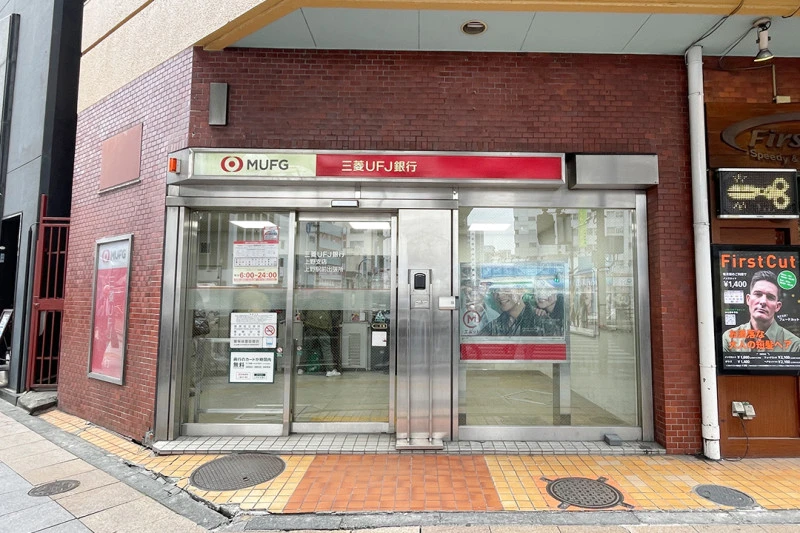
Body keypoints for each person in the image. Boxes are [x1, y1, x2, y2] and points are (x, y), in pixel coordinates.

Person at [722, 270, 800, 353]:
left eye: (770, 297)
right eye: (758, 294)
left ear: (777, 306)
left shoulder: (794, 344)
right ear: (748, 299)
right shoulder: (729, 338)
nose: (763, 301)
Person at [300, 309, 341, 376]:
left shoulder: (310, 302)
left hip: (310, 326)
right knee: (326, 348)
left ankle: (301, 369)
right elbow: (334, 316)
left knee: (306, 349)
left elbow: (303, 314)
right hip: (323, 326)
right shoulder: (329, 303)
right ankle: (330, 370)